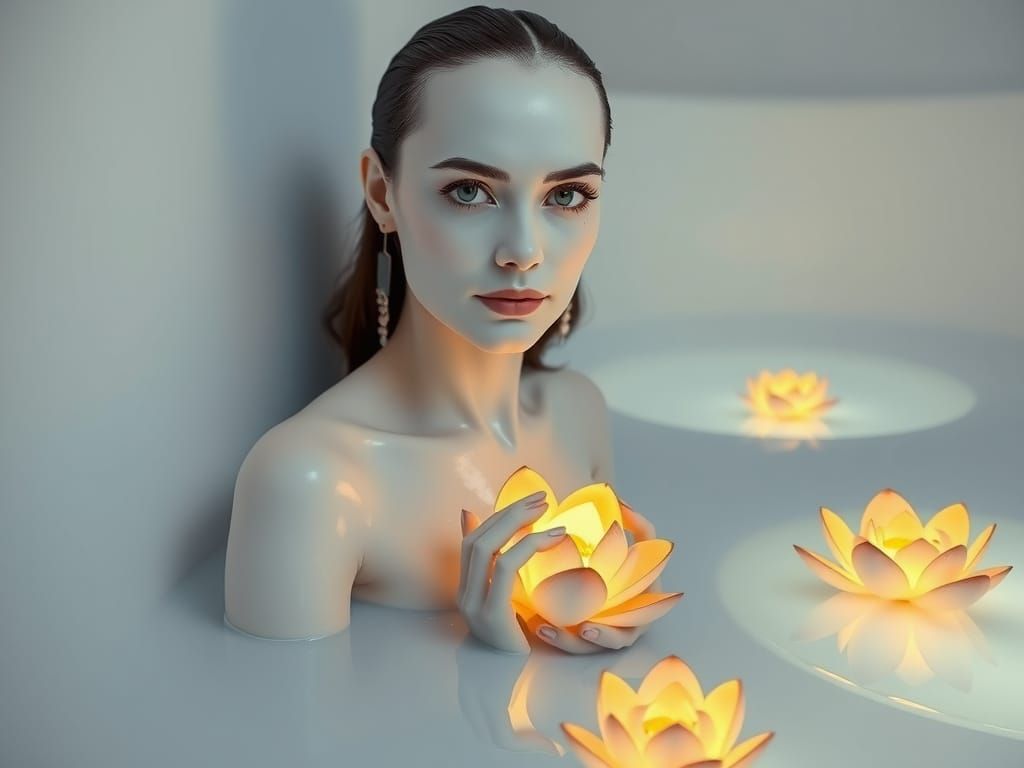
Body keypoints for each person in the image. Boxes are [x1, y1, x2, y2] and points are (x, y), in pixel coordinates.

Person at [224, 5, 657, 654]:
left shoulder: (578, 411)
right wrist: (487, 677)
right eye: (469, 191)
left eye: (565, 196)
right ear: (381, 192)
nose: (523, 251)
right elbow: (274, 738)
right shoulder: (310, 482)